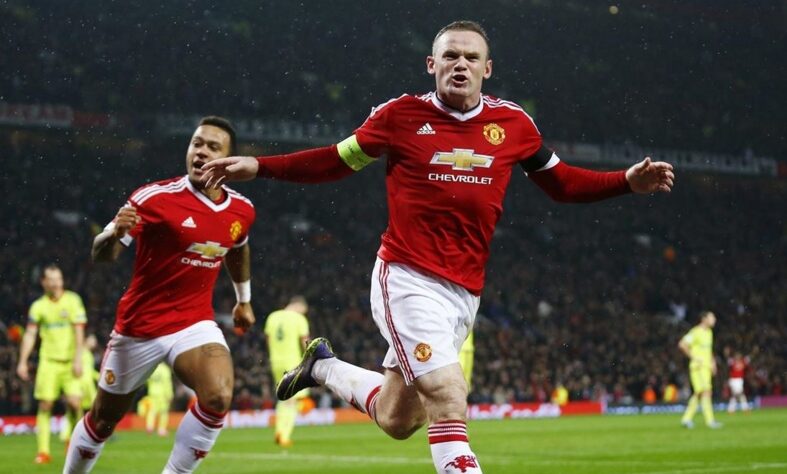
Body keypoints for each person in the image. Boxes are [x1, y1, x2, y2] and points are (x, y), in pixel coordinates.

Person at [202, 21, 674, 473]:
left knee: (398, 418)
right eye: (450, 56)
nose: (460, 64)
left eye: (471, 57)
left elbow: (562, 183)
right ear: (432, 64)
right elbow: (336, 161)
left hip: (464, 294)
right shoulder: (400, 115)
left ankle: (323, 368)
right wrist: (261, 166)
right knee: (449, 395)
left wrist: (624, 182)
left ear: (487, 68)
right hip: (407, 278)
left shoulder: (513, 123)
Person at [63, 116, 256, 474]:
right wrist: (112, 235)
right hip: (140, 327)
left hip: (194, 323)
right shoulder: (155, 198)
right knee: (102, 420)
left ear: (229, 161)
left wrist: (243, 299)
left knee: (218, 395)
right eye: (197, 143)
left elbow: (238, 247)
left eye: (213, 147)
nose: (201, 151)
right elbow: (102, 255)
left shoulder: (241, 210)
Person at [16, 264, 86, 464]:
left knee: (75, 403)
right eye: (52, 279)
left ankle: (73, 441)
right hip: (48, 362)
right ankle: (43, 451)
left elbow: (79, 331)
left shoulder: (73, 300)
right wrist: (22, 361)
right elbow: (30, 334)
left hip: (70, 361)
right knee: (45, 404)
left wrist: (78, 358)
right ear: (44, 282)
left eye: (59, 279)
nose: (56, 283)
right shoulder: (38, 306)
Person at [263, 296, 310, 448]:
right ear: (300, 306)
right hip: (293, 361)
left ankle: (279, 430)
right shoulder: (299, 319)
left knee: (283, 398)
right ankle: (284, 435)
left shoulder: (272, 316)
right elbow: (305, 341)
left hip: (275, 361)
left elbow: (268, 340)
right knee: (293, 400)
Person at [679, 311, 722, 429]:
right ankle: (710, 421)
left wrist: (713, 363)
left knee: (699, 393)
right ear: (704, 319)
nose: (714, 320)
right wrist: (694, 357)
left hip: (706, 367)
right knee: (706, 392)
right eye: (712, 318)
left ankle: (686, 419)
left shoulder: (709, 332)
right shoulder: (695, 332)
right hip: (698, 367)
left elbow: (708, 350)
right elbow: (682, 344)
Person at [61, 334, 100, 444]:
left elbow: (89, 371)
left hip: (88, 385)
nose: (94, 343)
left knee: (92, 409)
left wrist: (99, 376)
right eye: (92, 340)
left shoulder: (88, 353)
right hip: (81, 384)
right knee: (76, 410)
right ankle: (69, 434)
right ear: (86, 340)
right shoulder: (80, 352)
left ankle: (93, 432)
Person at [144, 362, 174, 436]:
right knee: (163, 412)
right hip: (163, 394)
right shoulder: (165, 369)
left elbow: (147, 380)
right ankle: (161, 429)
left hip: (152, 392)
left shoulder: (152, 368)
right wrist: (169, 395)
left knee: (152, 411)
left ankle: (149, 427)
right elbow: (167, 383)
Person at [724, 347, 755, 414]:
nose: (737, 356)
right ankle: (745, 408)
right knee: (740, 394)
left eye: (739, 355)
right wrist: (726, 353)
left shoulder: (743, 361)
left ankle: (731, 409)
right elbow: (727, 359)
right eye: (736, 355)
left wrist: (754, 351)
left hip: (740, 380)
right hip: (733, 380)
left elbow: (749, 358)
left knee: (735, 395)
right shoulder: (732, 361)